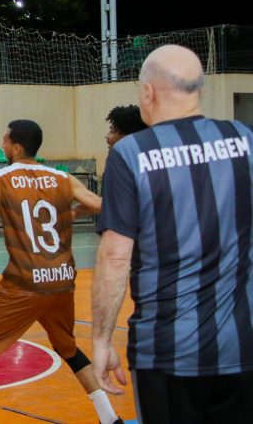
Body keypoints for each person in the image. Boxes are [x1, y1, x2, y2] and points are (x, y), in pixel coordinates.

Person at [93, 44, 253, 423]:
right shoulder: (245, 139)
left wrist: (101, 340)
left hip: (165, 351)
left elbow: (115, 257)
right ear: (198, 90)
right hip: (243, 346)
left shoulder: (131, 154)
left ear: (148, 93)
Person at [0, 119, 119, 424]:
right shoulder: (64, 178)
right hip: (62, 280)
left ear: (16, 146)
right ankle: (111, 419)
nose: (2, 145)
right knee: (67, 348)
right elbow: (101, 205)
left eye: (5, 140)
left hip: (25, 283)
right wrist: (78, 211)